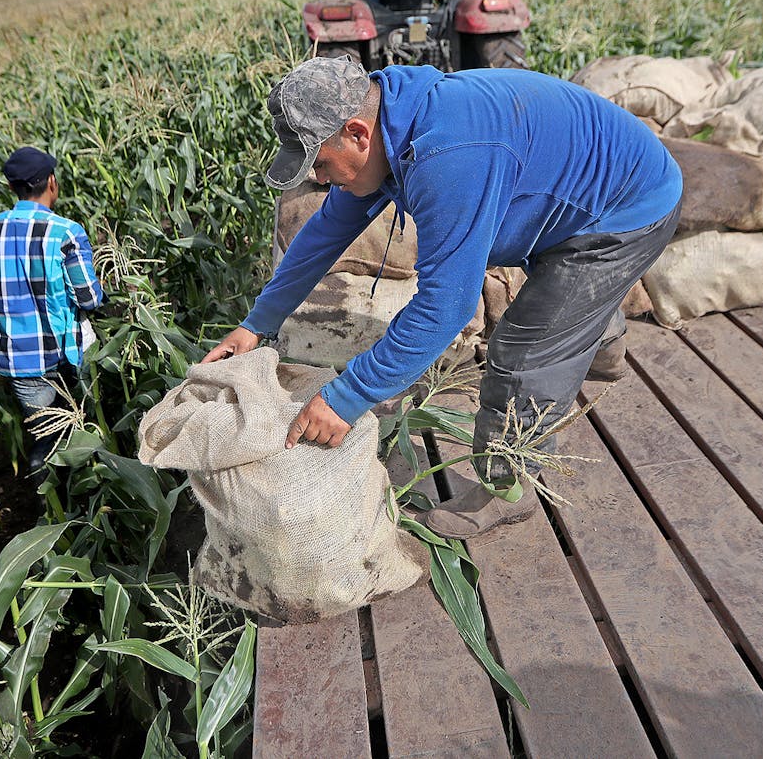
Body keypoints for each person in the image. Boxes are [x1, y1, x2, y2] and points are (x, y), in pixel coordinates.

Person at [202, 57, 682, 539]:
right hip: (570, 194)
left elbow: (445, 308)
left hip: (624, 209)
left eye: (321, 163)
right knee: (564, 311)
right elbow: (326, 232)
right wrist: (256, 324)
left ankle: (508, 489)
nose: (322, 179)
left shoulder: (449, 156)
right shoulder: (391, 122)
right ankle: (595, 328)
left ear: (356, 134)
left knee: (522, 351)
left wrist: (347, 397)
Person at [0, 146, 105, 473]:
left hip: (19, 359)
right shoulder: (66, 232)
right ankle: (96, 493)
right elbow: (88, 299)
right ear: (51, 182)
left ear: (12, 188)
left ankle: (52, 497)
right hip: (69, 351)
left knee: (48, 434)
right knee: (91, 426)